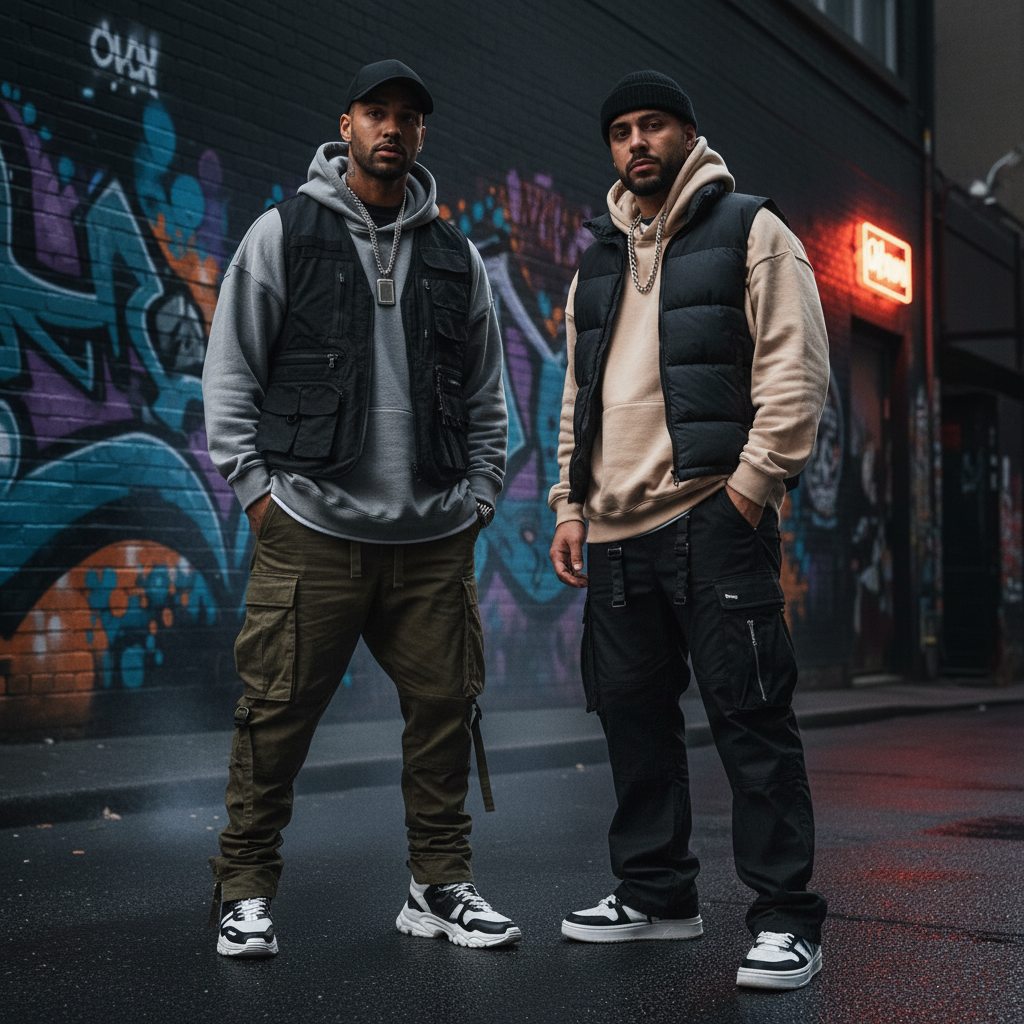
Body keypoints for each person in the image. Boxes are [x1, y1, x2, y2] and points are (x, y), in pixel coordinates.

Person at [202, 59, 519, 956]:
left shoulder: (457, 257)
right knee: (273, 716)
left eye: (408, 117)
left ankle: (438, 886)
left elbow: (488, 391)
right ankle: (244, 889)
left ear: (423, 136)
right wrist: (261, 498)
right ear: (344, 125)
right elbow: (231, 372)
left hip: (432, 540)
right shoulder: (285, 232)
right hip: (309, 530)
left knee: (444, 714)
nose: (392, 128)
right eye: (375, 112)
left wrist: (482, 495)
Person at [547, 70, 829, 990]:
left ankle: (788, 919)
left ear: (687, 134)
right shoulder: (594, 258)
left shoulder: (752, 230)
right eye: (622, 129)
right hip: (618, 531)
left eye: (653, 125)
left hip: (713, 518)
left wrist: (747, 490)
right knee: (633, 723)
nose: (637, 143)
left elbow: (795, 374)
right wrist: (568, 503)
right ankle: (656, 895)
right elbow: (577, 396)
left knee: (750, 720)